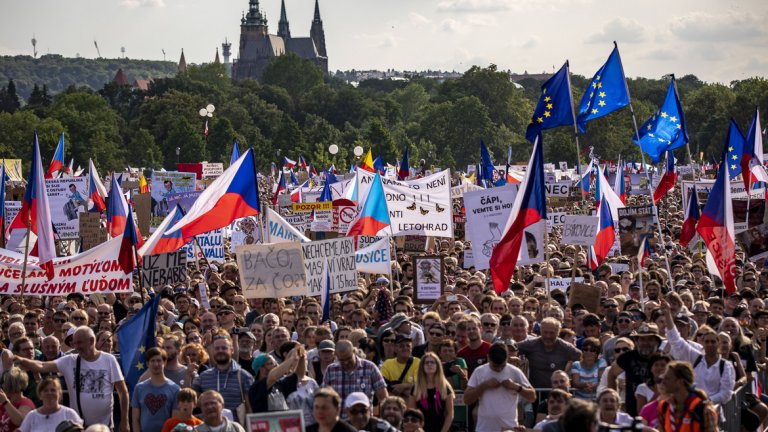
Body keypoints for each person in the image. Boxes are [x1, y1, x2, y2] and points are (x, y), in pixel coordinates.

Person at [13, 327, 129, 430]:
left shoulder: (109, 360)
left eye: (80, 343)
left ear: (91, 341)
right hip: (79, 426)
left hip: (104, 427)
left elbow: (122, 392)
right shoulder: (70, 361)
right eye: (75, 343)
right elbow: (43, 366)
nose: (77, 347)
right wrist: (20, 359)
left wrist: (125, 420)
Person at [464, 342, 535, 431]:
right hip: (484, 428)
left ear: (507, 358)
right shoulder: (479, 371)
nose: (499, 369)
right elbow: (466, 399)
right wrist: (483, 386)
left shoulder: (515, 372)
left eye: (502, 365)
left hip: (509, 428)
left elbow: (533, 396)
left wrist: (516, 387)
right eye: (495, 366)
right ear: (488, 358)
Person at [191, 335, 254, 423]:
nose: (220, 351)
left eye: (224, 348)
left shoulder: (244, 376)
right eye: (217, 348)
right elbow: (191, 402)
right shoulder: (204, 376)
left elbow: (250, 408)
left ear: (232, 350)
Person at [321, 340, 388, 414]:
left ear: (354, 351)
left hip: (364, 421)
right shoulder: (331, 370)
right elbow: (324, 398)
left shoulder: (370, 367)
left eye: (349, 359)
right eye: (342, 360)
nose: (346, 362)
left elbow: (383, 398)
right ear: (336, 356)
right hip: (339, 422)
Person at [657, 361, 718, 432]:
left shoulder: (703, 410)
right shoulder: (664, 407)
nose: (663, 382)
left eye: (668, 379)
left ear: (680, 382)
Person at [131, 348, 181, 432]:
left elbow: (174, 421)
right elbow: (135, 419)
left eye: (159, 360)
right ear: (147, 363)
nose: (156, 364)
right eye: (152, 361)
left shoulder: (175, 389)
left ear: (164, 362)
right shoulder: (139, 388)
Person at [407, 352, 454, 432]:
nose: (429, 364)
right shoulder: (416, 388)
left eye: (432, 362)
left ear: (437, 366)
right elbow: (412, 413)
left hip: (442, 428)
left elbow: (450, 414)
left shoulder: (445, 387)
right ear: (422, 367)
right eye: (426, 363)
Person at [0, 368, 35, 432]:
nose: (2, 385)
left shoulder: (26, 403)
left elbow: (20, 421)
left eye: (4, 383)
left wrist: (5, 402)